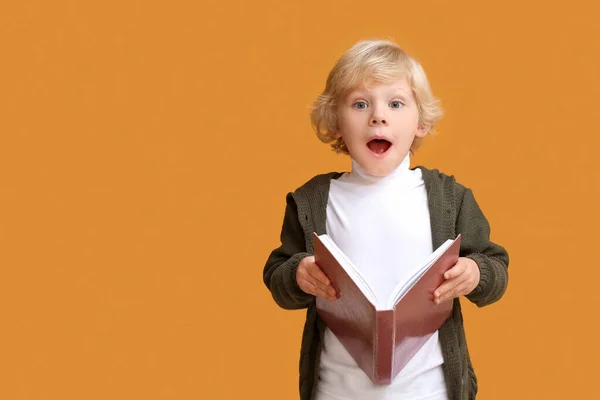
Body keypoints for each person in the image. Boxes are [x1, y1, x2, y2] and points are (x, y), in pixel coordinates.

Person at [263, 39, 509, 400]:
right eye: (360, 104)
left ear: (420, 123)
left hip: (430, 391)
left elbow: (495, 266)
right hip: (336, 391)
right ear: (335, 124)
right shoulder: (313, 200)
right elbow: (278, 274)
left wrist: (476, 273)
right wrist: (299, 273)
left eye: (395, 103)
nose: (378, 115)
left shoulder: (449, 198)